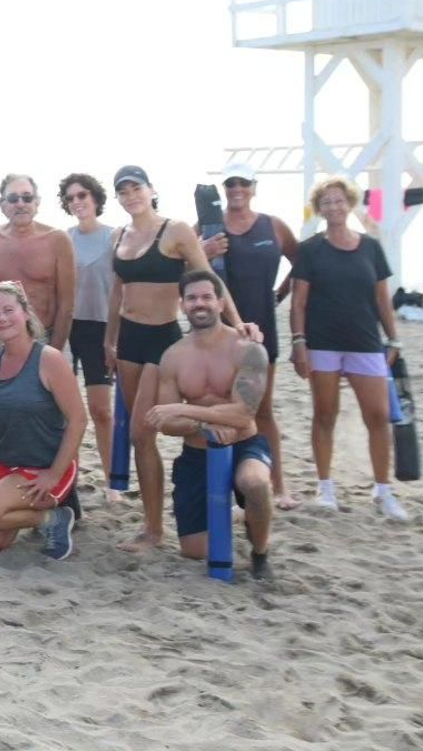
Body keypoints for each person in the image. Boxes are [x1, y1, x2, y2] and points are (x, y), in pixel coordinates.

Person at [106, 165, 251, 553]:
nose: (131, 195)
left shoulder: (176, 231)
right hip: (129, 340)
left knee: (140, 431)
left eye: (136, 188)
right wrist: (110, 341)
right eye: (123, 191)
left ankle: (155, 530)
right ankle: (154, 524)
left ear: (151, 190)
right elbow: (117, 292)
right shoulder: (118, 236)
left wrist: (237, 324)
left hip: (161, 339)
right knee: (142, 438)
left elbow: (210, 283)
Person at [289, 176, 408, 520]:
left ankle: (383, 491)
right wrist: (299, 342)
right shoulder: (311, 249)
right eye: (326, 202)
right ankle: (325, 487)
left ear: (350, 203)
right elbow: (298, 302)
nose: (334, 207)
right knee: (325, 415)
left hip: (365, 342)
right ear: (319, 208)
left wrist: (394, 337)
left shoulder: (371, 247)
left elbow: (382, 299)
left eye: (339, 200)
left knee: (379, 416)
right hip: (323, 343)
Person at [145, 270, 275, 579]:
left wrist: (183, 409)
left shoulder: (248, 348)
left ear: (220, 302)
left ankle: (260, 554)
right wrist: (203, 425)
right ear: (182, 305)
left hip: (244, 444)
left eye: (206, 297)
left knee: (256, 484)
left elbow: (244, 414)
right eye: (192, 298)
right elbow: (167, 424)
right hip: (196, 453)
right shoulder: (173, 356)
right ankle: (242, 515)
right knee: (194, 551)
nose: (199, 304)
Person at [200, 162, 301, 509]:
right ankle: (225, 486)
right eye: (230, 183)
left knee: (263, 410)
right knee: (221, 407)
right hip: (220, 332)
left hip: (263, 329)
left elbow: (302, 264)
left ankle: (278, 486)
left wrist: (280, 295)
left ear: (254, 186)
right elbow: (184, 270)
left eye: (243, 182)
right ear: (224, 188)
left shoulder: (273, 226)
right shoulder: (210, 227)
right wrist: (204, 252)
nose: (236, 189)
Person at [0, 281, 87, 560]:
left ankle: (55, 517)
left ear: (25, 312)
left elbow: (78, 419)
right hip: (5, 463)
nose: (2, 318)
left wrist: (54, 474)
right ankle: (41, 515)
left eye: (9, 310)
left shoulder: (49, 360)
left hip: (43, 465)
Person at [0, 173, 75, 374]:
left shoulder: (57, 240)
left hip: (45, 338)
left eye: (27, 198)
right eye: (13, 198)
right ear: (2, 204)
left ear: (37, 203)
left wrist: (53, 351)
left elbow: (66, 305)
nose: (20, 203)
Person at [57, 172, 119, 500]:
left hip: (101, 329)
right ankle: (70, 478)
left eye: (82, 195)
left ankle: (113, 480)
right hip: (67, 328)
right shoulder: (62, 238)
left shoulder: (115, 237)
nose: (77, 202)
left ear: (95, 198)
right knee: (67, 413)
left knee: (101, 410)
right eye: (71, 198)